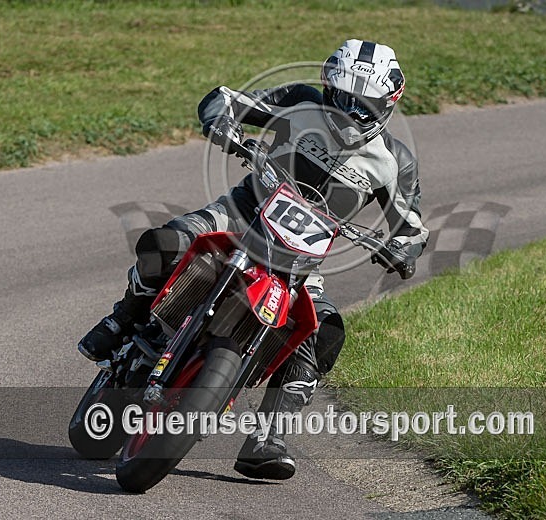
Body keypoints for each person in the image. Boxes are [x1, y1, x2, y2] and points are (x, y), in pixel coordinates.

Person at [78, 39, 429, 480]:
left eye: (362, 103)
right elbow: (226, 99)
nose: (348, 109)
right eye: (341, 97)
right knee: (164, 243)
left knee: (326, 332)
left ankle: (268, 437)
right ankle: (122, 321)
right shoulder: (299, 102)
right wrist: (221, 123)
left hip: (300, 263)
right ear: (327, 87)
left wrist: (402, 248)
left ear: (388, 103)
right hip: (239, 215)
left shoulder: (395, 161)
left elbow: (412, 226)